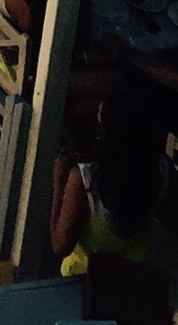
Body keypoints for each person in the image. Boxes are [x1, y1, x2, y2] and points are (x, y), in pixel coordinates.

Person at [52, 89, 166, 272]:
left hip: (86, 278)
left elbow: (60, 245)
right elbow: (177, 223)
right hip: (139, 273)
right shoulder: (161, 167)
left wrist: (59, 184)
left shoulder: (83, 179)